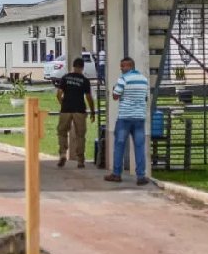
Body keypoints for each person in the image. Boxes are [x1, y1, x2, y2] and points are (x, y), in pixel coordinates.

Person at [104, 57, 150, 185]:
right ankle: (141, 176)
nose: (121, 68)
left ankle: (116, 174)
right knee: (139, 146)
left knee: (119, 145)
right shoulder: (144, 79)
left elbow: (115, 96)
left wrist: (115, 89)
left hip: (124, 118)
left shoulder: (123, 79)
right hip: (139, 118)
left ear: (130, 66)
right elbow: (145, 98)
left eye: (123, 66)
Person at [56, 57, 95, 168]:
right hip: (79, 110)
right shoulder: (85, 80)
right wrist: (92, 111)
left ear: (73, 66)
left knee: (62, 132)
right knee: (80, 135)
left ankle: (63, 154)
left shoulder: (65, 78)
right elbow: (88, 97)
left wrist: (63, 103)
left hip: (66, 109)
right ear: (82, 67)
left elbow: (58, 94)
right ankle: (80, 160)